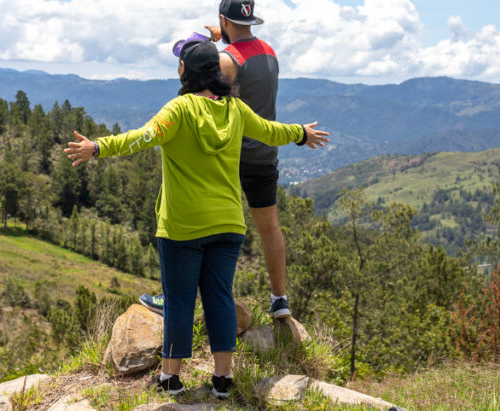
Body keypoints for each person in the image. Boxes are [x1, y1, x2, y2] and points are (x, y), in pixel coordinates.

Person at [65, 40, 329, 398]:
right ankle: (223, 379)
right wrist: (301, 133)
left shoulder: (180, 109)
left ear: (185, 71)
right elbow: (270, 131)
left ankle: (170, 378)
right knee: (219, 297)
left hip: (182, 226)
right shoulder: (235, 109)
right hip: (228, 224)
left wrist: (97, 147)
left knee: (179, 301)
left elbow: (142, 138)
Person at [142, 0, 295, 319]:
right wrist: (220, 38)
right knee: (269, 227)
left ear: (224, 20)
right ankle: (279, 299)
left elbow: (201, 90)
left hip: (228, 153)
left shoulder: (227, 60)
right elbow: (243, 56)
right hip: (264, 152)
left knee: (189, 221)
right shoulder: (269, 52)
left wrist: (203, 47)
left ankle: (172, 297)